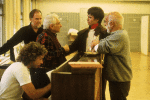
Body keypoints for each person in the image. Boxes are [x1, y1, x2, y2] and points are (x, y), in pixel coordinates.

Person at [91, 12, 133, 100]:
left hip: (120, 79)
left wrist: (95, 45)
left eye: (106, 22)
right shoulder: (116, 34)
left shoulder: (120, 35)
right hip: (117, 78)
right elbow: (104, 41)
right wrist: (98, 43)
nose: (105, 24)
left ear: (111, 23)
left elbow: (102, 47)